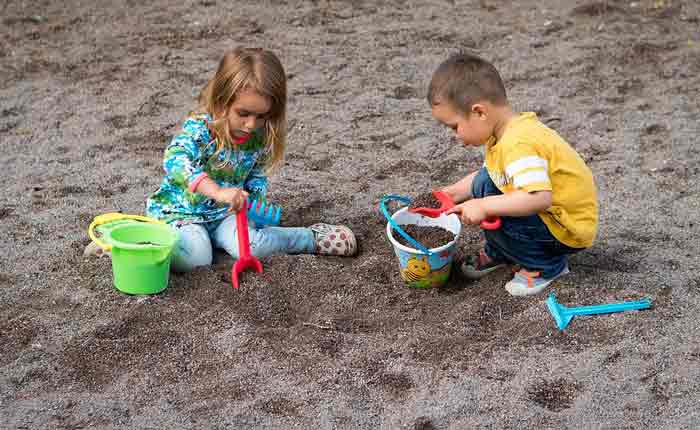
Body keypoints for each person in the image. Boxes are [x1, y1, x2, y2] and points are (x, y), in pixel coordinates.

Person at [86, 48, 357, 270]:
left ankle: (311, 238)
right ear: (221, 102)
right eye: (243, 113)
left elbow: (257, 177)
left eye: (261, 116)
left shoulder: (260, 136)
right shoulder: (201, 130)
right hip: (184, 213)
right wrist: (215, 191)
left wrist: (251, 199)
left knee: (252, 247)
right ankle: (129, 243)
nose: (252, 124)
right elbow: (175, 160)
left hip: (227, 214)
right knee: (196, 259)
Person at [428, 52, 598, 296]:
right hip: (550, 215)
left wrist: (485, 206)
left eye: (455, 127)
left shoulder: (519, 143)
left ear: (479, 112)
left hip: (565, 227)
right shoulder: (503, 133)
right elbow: (490, 174)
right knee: (486, 183)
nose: (456, 136)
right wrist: (451, 194)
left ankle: (546, 267)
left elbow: (538, 198)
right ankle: (503, 252)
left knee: (496, 207)